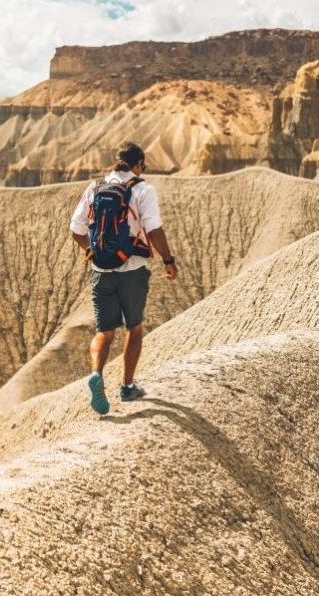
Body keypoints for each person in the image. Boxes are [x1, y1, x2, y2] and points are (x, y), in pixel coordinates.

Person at [69, 142, 179, 415]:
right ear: (139, 164)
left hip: (101, 271)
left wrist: (93, 253)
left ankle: (96, 374)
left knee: (104, 332)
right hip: (132, 270)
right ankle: (127, 386)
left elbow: (76, 229)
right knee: (134, 327)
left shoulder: (95, 188)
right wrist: (168, 259)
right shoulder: (143, 189)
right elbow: (153, 229)